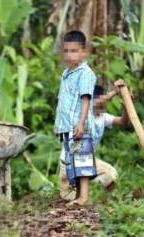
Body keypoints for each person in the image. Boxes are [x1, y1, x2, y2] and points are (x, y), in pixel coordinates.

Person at [59, 80, 130, 202]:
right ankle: (80, 195)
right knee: (68, 200)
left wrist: (125, 107)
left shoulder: (103, 117)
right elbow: (99, 101)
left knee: (111, 175)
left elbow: (123, 122)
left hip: (86, 162)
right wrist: (115, 92)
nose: (102, 103)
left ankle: (106, 202)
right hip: (69, 163)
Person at [54, 30, 96, 206]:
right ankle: (79, 195)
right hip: (67, 125)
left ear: (84, 52)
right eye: (66, 51)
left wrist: (80, 123)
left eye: (74, 51)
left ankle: (84, 197)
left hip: (79, 125)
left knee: (82, 158)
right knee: (73, 161)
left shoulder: (85, 73)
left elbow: (85, 99)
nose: (70, 55)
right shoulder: (66, 73)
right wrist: (59, 125)